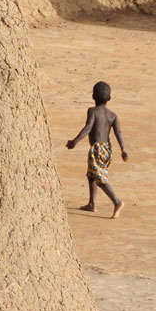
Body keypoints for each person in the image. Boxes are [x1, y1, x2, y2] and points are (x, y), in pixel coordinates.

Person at [66, 81, 128, 218]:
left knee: (99, 178)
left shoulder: (92, 111)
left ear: (93, 96)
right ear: (110, 98)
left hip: (97, 149)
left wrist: (75, 141)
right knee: (91, 175)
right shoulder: (113, 116)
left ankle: (117, 201)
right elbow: (119, 133)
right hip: (107, 149)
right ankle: (92, 203)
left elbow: (88, 128)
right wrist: (123, 149)